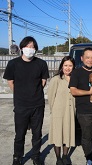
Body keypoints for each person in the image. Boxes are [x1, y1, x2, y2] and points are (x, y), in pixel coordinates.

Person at [3, 36, 49, 165]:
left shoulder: (41, 63)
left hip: (38, 104)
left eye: (33, 47)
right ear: (22, 47)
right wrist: (20, 94)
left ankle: (36, 156)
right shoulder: (13, 63)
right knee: (19, 134)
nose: (30, 49)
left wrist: (33, 93)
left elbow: (43, 81)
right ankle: (17, 156)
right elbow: (10, 82)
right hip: (21, 105)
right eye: (28, 46)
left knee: (37, 134)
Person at [47, 56, 76, 165]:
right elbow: (51, 97)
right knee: (58, 135)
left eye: (70, 66)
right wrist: (53, 111)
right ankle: (58, 158)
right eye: (65, 65)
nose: (68, 68)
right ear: (61, 66)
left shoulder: (75, 78)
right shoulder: (56, 79)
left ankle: (65, 156)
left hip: (70, 111)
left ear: (73, 67)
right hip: (58, 111)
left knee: (68, 133)